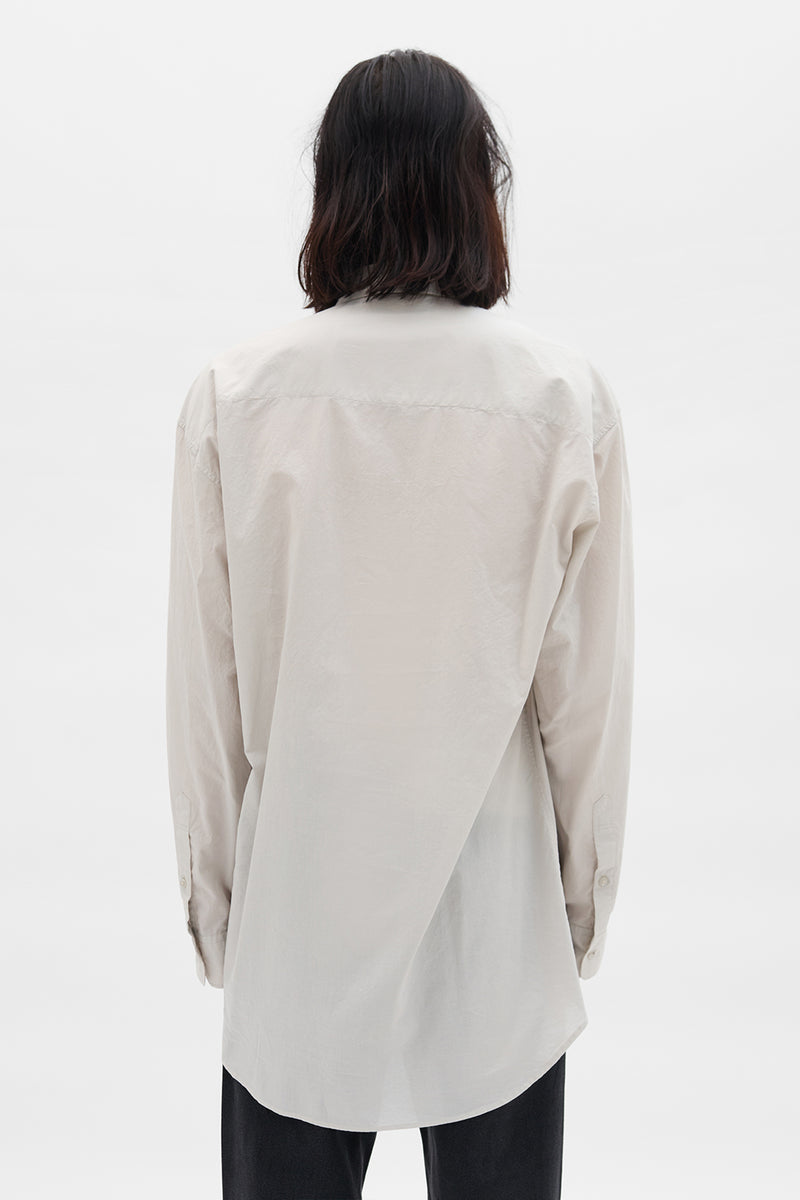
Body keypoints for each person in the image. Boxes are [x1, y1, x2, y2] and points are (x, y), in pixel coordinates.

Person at [165, 47, 635, 1200]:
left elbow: (205, 691)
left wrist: (215, 904)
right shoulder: (557, 400)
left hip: (298, 910)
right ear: (478, 188)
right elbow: (587, 699)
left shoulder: (237, 398)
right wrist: (579, 903)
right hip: (497, 914)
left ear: (334, 186)